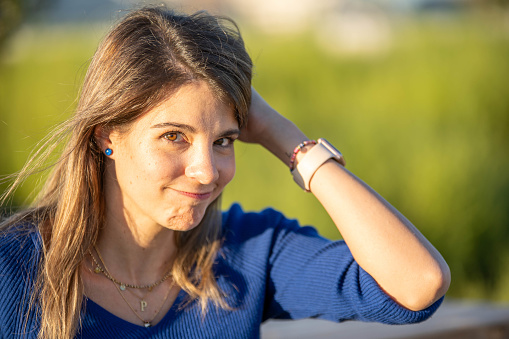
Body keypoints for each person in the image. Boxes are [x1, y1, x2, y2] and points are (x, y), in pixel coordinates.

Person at [0, 5, 450, 339]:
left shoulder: (246, 255)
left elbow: (418, 285)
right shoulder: (14, 271)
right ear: (106, 136)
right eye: (174, 136)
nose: (205, 172)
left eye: (224, 141)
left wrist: (286, 137)